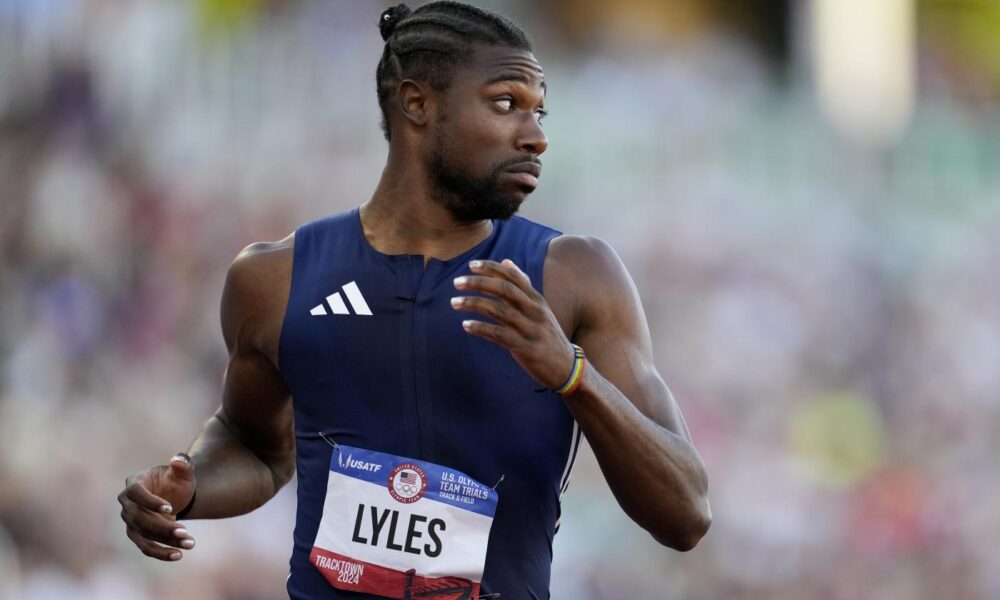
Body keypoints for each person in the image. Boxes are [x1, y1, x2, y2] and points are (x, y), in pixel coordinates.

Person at [117, 2, 711, 598]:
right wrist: (188, 483)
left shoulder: (574, 277)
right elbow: (254, 445)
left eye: (539, 111)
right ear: (417, 104)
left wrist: (572, 375)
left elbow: (686, 514)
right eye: (506, 103)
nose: (536, 136)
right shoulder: (275, 278)